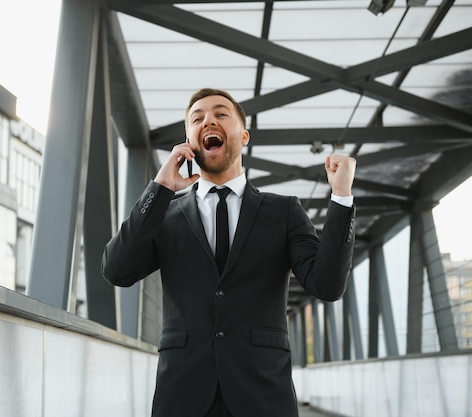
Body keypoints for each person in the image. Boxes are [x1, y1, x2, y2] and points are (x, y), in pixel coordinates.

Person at [101, 88, 356, 417]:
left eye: (221, 114)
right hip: (183, 397)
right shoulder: (164, 215)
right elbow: (116, 271)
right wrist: (159, 188)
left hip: (263, 396)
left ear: (244, 135)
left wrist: (341, 196)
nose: (208, 121)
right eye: (197, 119)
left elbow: (327, 285)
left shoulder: (284, 212)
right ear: (189, 141)